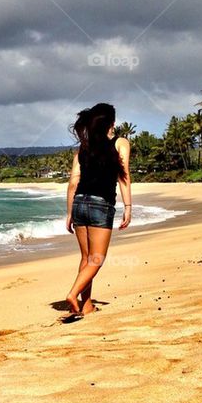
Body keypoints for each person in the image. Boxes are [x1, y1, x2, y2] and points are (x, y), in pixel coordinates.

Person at [63, 102, 132, 317]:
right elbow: (124, 176)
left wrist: (69, 212)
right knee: (97, 259)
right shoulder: (120, 143)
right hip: (101, 205)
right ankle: (73, 295)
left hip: (79, 203)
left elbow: (73, 183)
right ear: (111, 123)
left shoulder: (83, 148)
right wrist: (128, 206)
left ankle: (86, 306)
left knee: (86, 258)